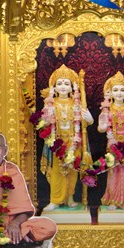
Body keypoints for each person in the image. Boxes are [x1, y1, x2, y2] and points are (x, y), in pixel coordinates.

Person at [36, 64, 93, 210]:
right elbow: (44, 122)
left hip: (75, 141)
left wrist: (90, 119)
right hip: (57, 142)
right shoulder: (50, 104)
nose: (63, 86)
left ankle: (70, 197)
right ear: (54, 87)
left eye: (66, 83)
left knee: (72, 171)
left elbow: (86, 123)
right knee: (57, 171)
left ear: (72, 87)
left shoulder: (77, 103)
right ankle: (55, 200)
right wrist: (44, 120)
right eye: (60, 83)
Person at [97, 71, 124, 210]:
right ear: (110, 93)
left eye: (122, 90)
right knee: (113, 171)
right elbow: (101, 129)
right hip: (113, 144)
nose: (119, 93)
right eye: (115, 90)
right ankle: (113, 200)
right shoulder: (107, 109)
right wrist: (101, 125)